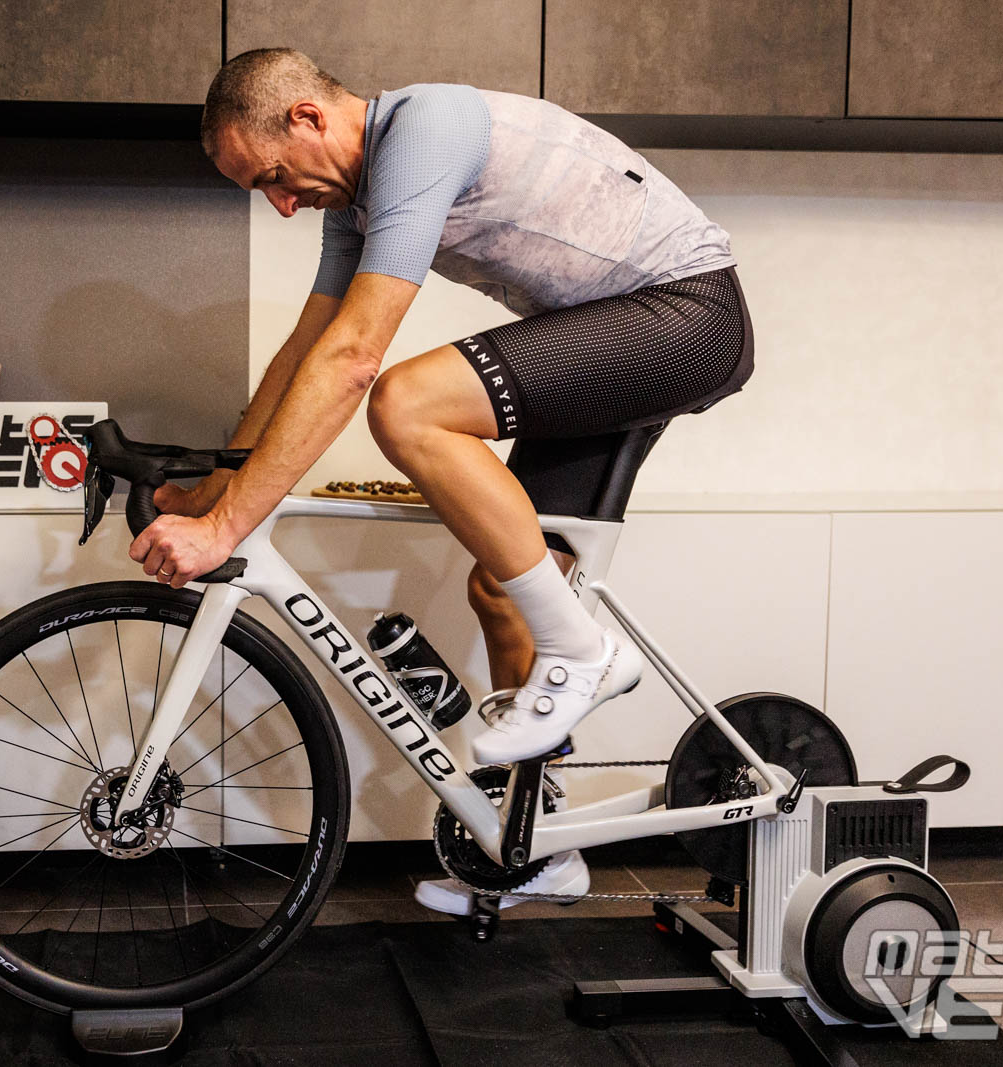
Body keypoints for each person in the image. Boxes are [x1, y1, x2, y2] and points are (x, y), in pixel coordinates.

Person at [130, 49, 754, 913]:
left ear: (309, 117)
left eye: (274, 176)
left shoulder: (424, 132)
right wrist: (222, 483)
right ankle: (538, 850)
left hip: (686, 315)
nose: (278, 203)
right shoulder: (355, 200)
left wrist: (229, 526)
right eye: (259, 193)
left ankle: (584, 654)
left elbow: (353, 361)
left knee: (408, 402)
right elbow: (306, 353)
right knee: (505, 590)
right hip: (615, 329)